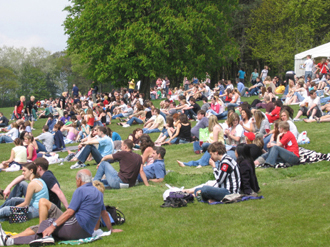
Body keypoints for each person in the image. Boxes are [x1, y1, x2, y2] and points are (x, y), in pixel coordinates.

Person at [0, 169, 122, 246]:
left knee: (47, 225)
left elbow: (69, 212)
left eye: (76, 180)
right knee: (45, 232)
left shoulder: (81, 190)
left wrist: (53, 226)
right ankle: (10, 241)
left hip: (76, 227)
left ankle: (44, 238)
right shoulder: (98, 193)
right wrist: (110, 229)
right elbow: (104, 214)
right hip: (86, 232)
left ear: (79, 180)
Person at [2, 157, 68, 209]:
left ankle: (6, 207)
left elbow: (59, 192)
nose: (32, 168)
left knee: (18, 192)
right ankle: (6, 205)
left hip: (45, 204)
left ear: (39, 168)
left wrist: (68, 208)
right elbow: (22, 177)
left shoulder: (47, 177)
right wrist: (8, 187)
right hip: (39, 200)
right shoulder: (42, 174)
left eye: (34, 166)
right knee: (21, 184)